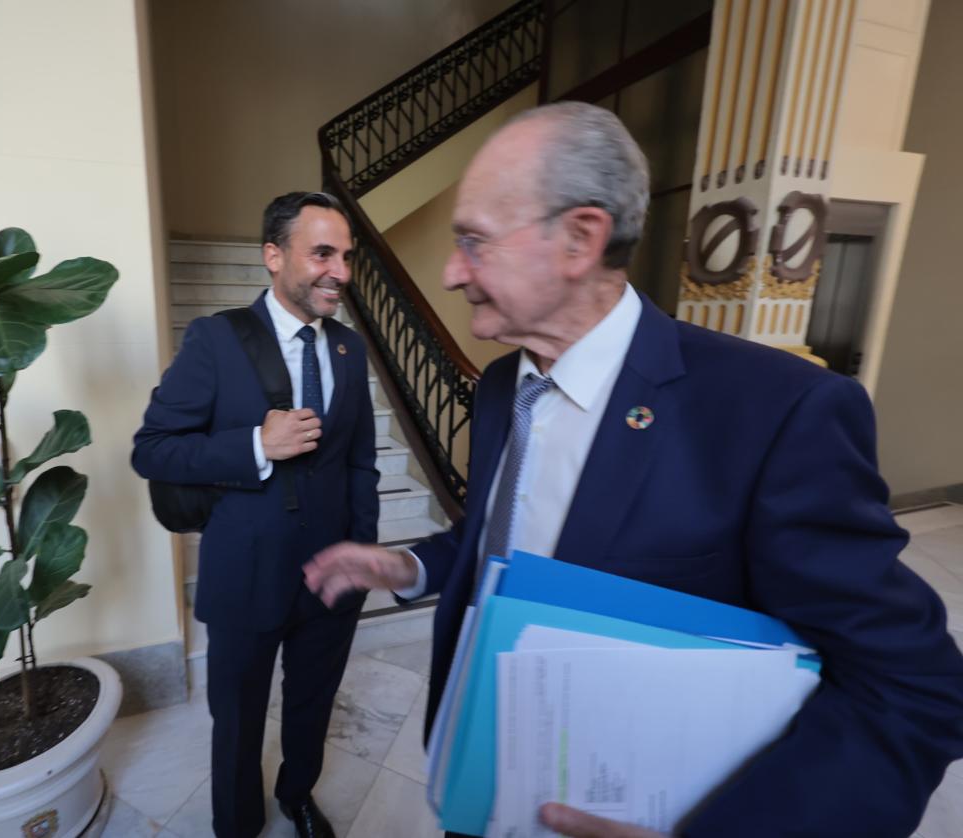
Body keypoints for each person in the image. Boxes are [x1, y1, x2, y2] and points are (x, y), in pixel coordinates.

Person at [303, 103, 963, 837]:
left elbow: (908, 691)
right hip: (486, 775)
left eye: (474, 242)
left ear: (580, 238)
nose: (453, 272)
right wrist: (410, 566)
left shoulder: (778, 412)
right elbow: (509, 540)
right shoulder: (497, 390)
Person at [133, 191, 379, 838]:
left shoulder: (351, 350)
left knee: (311, 705)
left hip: (331, 578)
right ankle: (237, 823)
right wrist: (254, 446)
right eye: (322, 253)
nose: (341, 272)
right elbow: (152, 449)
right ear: (274, 255)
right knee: (238, 720)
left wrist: (363, 553)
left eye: (347, 256)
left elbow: (360, 462)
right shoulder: (216, 340)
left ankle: (297, 796)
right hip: (244, 578)